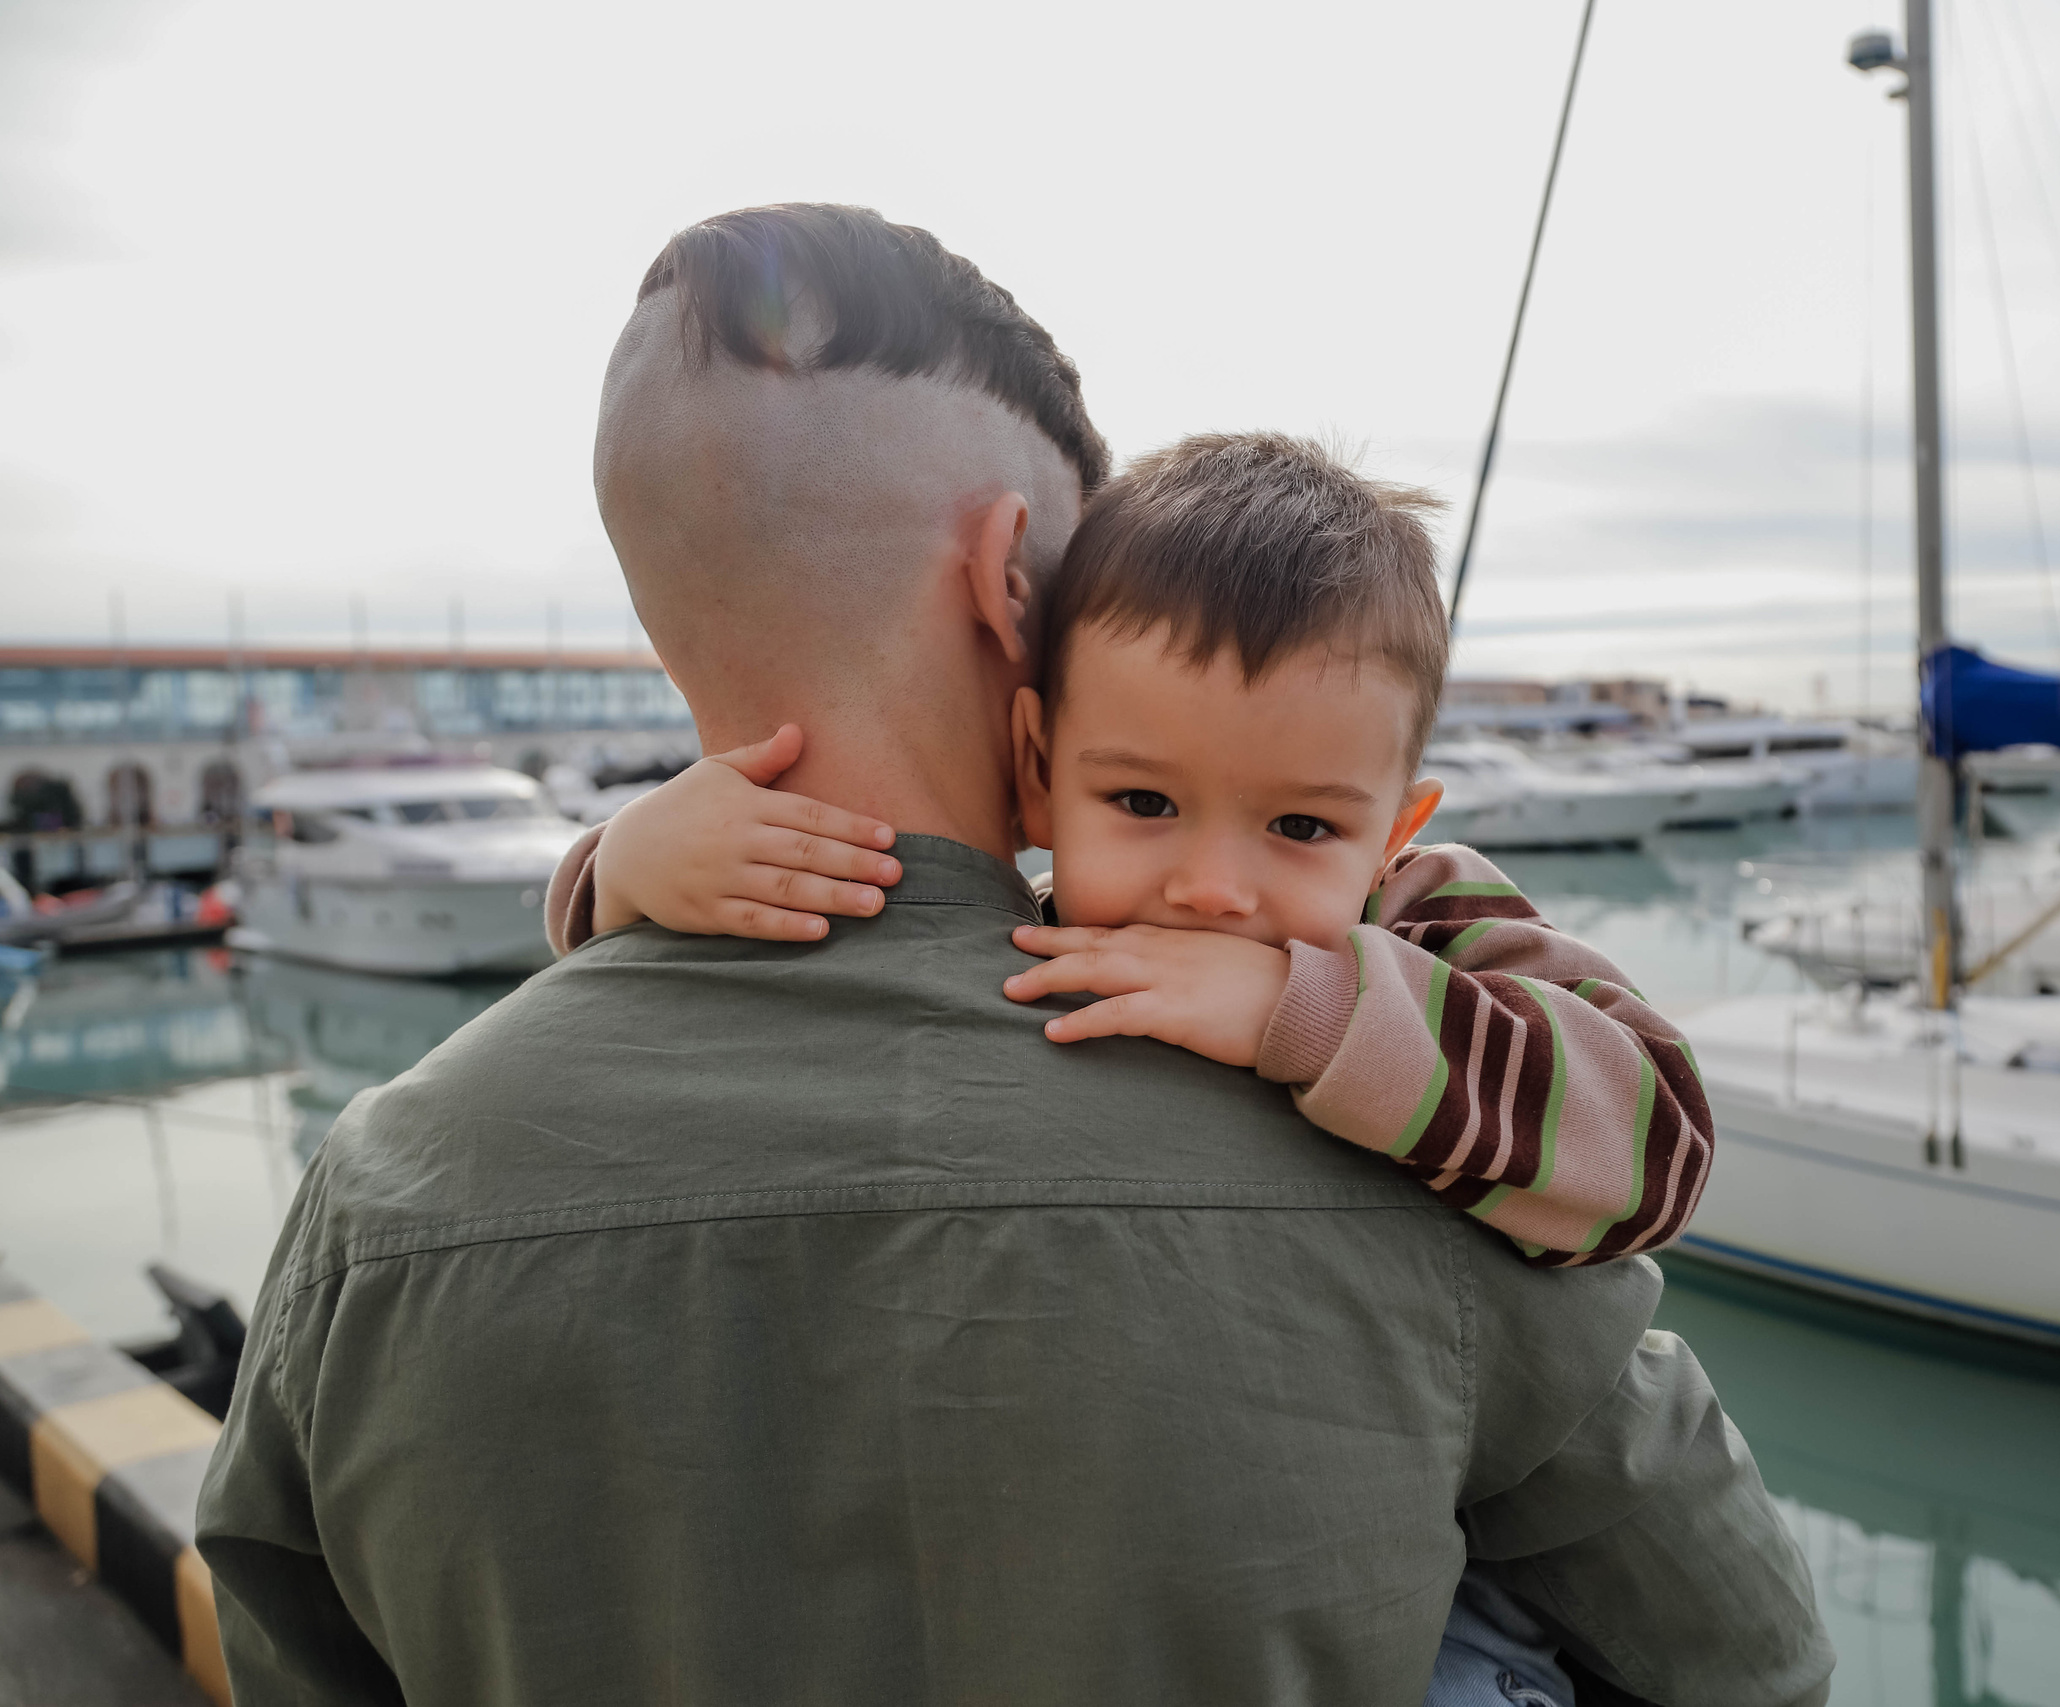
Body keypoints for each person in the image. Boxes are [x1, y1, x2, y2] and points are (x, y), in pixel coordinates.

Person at [196, 203, 1832, 1706]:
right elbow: (1751, 1656)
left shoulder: (380, 1192)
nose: (1216, 891)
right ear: (1010, 585)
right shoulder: (1414, 1146)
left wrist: (615, 871)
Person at [550, 430, 1733, 1707]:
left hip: (1450, 1599)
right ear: (1041, 771)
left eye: (1299, 826)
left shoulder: (1425, 914)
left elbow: (1657, 1146)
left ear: (1392, 829)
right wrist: (616, 871)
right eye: (1145, 805)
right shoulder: (1019, 910)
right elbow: (794, 893)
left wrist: (1309, 1007)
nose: (1213, 887)